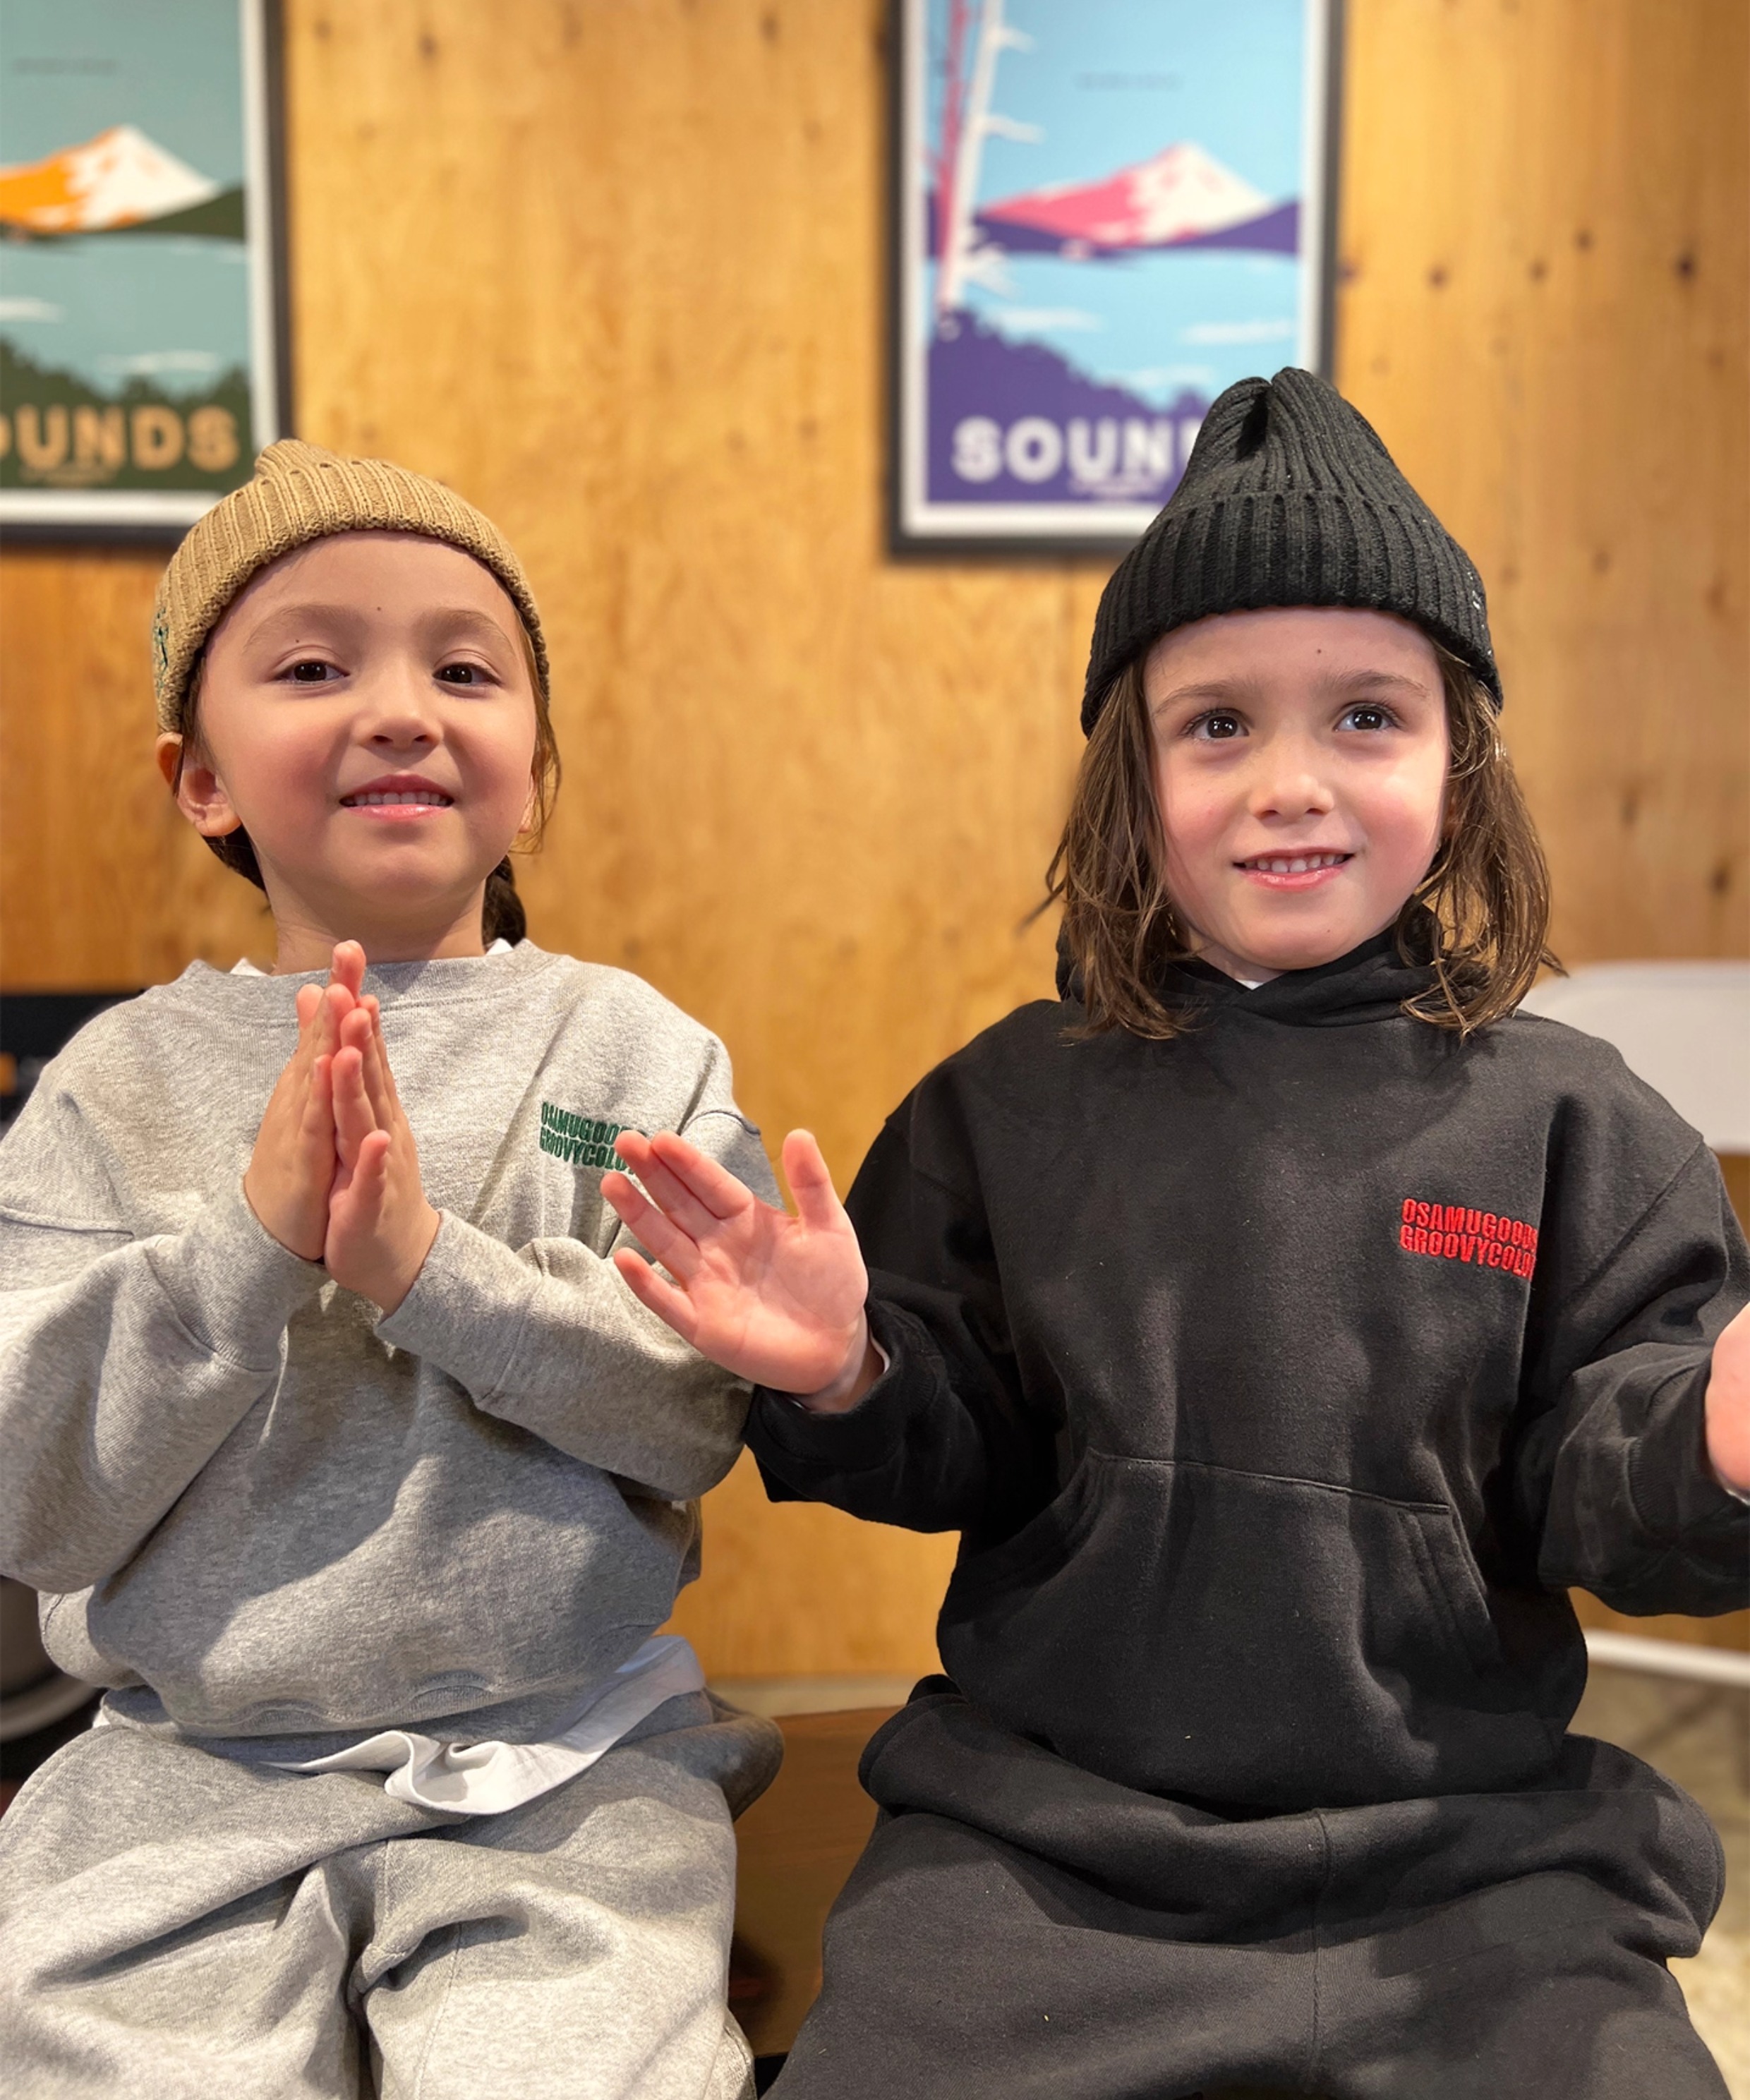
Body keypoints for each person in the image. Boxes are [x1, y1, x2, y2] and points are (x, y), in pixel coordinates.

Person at [599, 371, 1750, 2099]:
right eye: (1217, 725)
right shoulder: (1004, 1103)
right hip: (1040, 1852)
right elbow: (952, 1446)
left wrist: (1713, 1445)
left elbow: (1610, 1489)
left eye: (1365, 717)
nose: (1291, 782)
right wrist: (842, 1372)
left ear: (1459, 765)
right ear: (1130, 783)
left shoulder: (1573, 1122)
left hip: (1469, 1864)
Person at [0, 440, 780, 2100]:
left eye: (464, 670)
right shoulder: (108, 1090)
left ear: (534, 771)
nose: (402, 710)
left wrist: (430, 1272)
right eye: (312, 668)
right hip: (181, 1779)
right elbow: (29, 1501)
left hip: (569, 1766)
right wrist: (250, 1250)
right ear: (200, 779)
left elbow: (694, 1420)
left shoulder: (633, 1053)